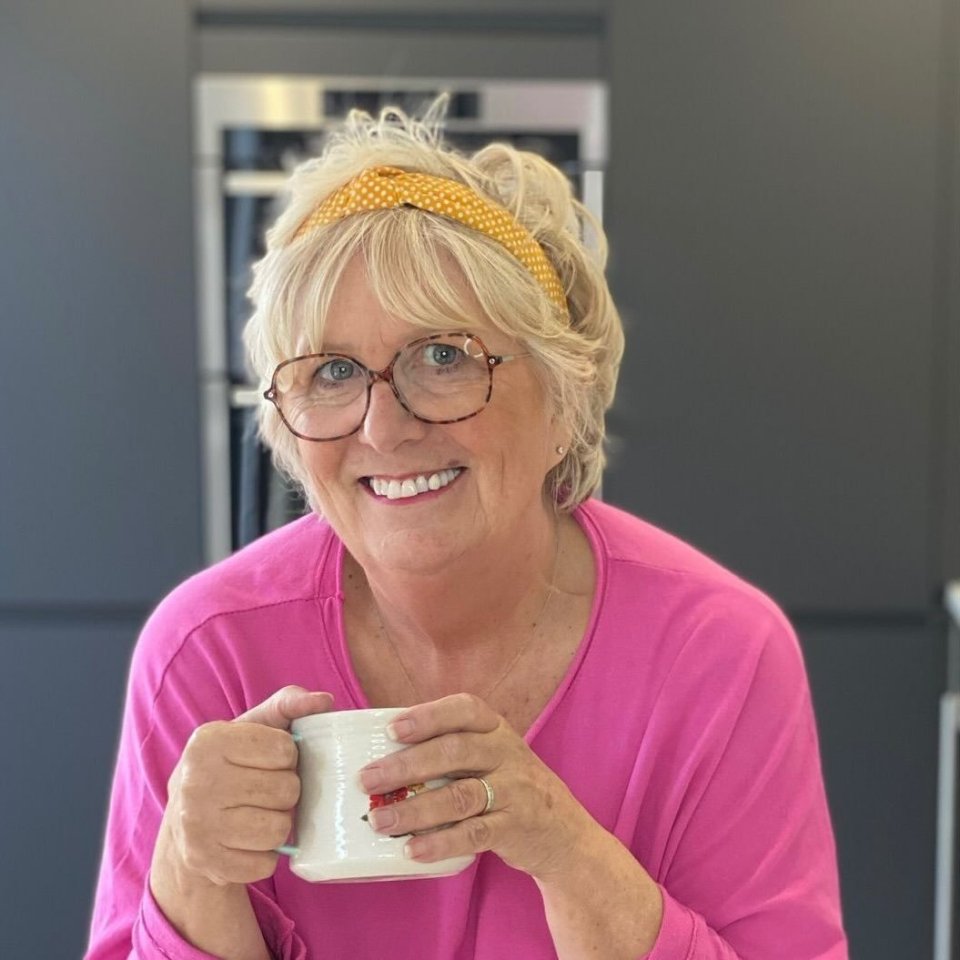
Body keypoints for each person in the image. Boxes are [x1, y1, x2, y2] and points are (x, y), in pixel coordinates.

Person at [85, 99, 848, 960]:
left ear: (564, 395)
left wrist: (568, 852)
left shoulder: (721, 656)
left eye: (444, 356)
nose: (382, 429)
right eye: (332, 372)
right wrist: (191, 873)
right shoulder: (205, 652)